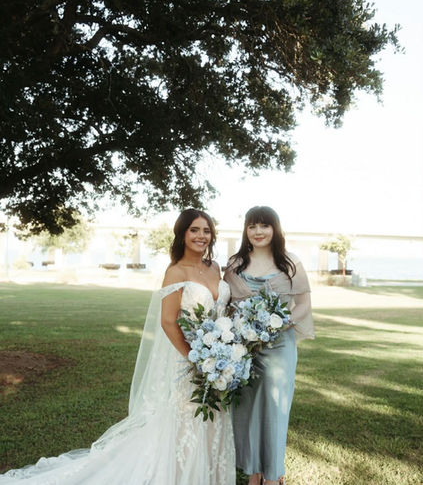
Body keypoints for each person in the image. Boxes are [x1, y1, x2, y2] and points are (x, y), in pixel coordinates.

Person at [0, 209, 235, 485]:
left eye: (206, 231)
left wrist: (224, 352)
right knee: (186, 421)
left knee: (213, 417)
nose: (201, 236)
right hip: (188, 362)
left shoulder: (214, 268)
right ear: (182, 234)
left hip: (218, 361)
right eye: (194, 230)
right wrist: (194, 359)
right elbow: (168, 322)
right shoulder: (175, 272)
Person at [224, 206, 314, 485]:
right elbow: (227, 306)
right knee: (246, 410)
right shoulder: (235, 264)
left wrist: (279, 324)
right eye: (252, 226)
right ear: (246, 230)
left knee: (275, 410)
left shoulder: (290, 263)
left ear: (275, 228)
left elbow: (304, 305)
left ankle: (274, 477)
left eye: (264, 225)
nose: (258, 231)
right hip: (244, 350)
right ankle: (254, 474)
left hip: (279, 348)